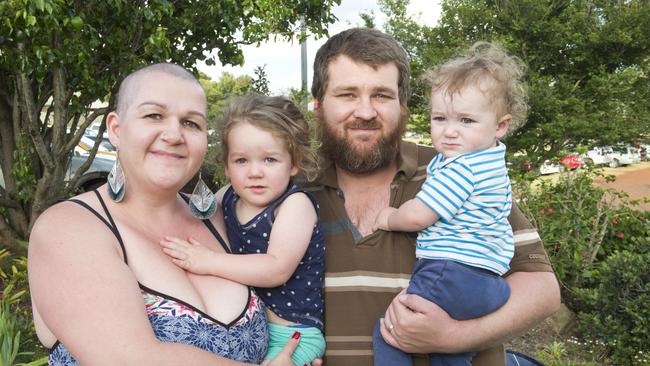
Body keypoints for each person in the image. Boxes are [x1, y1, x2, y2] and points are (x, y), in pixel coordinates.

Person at [306, 28, 561, 366]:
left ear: (404, 106)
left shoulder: (454, 168)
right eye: (348, 94)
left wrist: (455, 338)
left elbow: (542, 289)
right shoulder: (287, 187)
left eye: (382, 95)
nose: (365, 112)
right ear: (318, 105)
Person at [28, 64, 304, 365]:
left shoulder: (222, 218)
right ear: (116, 130)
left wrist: (297, 354)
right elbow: (132, 360)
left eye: (191, 123)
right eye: (154, 115)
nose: (174, 134)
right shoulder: (69, 228)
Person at [372, 42, 527, 366]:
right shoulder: (492, 163)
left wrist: (389, 218)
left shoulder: (460, 167)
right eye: (440, 118)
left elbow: (418, 217)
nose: (450, 131)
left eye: (466, 121)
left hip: (450, 273)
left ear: (500, 126)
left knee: (390, 331)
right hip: (490, 285)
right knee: (446, 352)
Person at [159, 95, 326, 366]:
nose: (255, 172)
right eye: (241, 161)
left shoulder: (294, 205)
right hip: (248, 330)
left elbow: (276, 268)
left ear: (293, 163)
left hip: (293, 335)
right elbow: (196, 216)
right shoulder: (229, 197)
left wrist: (207, 261)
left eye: (270, 160)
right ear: (226, 165)